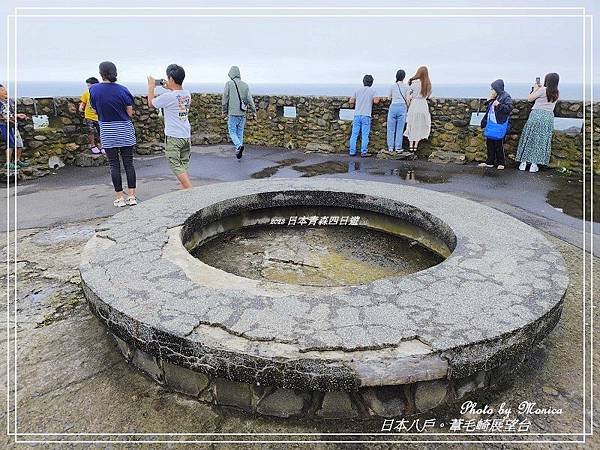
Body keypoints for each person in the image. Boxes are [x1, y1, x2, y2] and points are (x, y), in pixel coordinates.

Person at [89, 61, 138, 207]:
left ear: (101, 73)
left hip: (107, 130)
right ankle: (132, 197)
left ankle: (119, 198)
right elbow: (129, 112)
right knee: (129, 164)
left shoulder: (94, 90)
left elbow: (94, 110)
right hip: (124, 129)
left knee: (114, 165)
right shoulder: (123, 90)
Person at [147, 64, 193, 189]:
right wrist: (170, 87)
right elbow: (177, 96)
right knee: (182, 164)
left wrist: (151, 87)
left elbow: (151, 103)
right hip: (185, 135)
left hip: (174, 136)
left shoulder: (169, 97)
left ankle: (190, 191)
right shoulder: (187, 94)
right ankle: (185, 192)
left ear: (171, 78)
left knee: (174, 163)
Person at [516, 73, 560, 173]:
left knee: (529, 137)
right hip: (548, 117)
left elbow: (530, 98)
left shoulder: (542, 90)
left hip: (536, 115)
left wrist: (536, 88)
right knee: (541, 140)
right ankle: (534, 164)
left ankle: (523, 162)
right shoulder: (557, 92)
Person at [478, 79, 513, 170]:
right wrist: (489, 100)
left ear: (497, 88)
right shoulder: (495, 96)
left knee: (498, 143)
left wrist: (499, 105)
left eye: (493, 89)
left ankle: (501, 162)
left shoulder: (506, 96)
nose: (491, 90)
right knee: (489, 142)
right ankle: (490, 161)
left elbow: (509, 108)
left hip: (499, 123)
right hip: (491, 124)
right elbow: (489, 108)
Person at [222, 66, 256, 159]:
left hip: (232, 113)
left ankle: (238, 146)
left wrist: (224, 111)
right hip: (242, 113)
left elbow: (225, 99)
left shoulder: (228, 84)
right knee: (240, 131)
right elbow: (250, 99)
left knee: (232, 131)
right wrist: (254, 111)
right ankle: (238, 151)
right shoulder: (245, 85)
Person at [348, 74, 380, 157]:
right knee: (365, 135)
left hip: (357, 115)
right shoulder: (373, 91)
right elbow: (376, 101)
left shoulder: (357, 90)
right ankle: (364, 152)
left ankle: (352, 151)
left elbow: (351, 101)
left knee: (354, 134)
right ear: (371, 83)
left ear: (363, 82)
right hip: (366, 115)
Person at [0, 83, 30, 171]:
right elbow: (3, 116)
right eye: (2, 90)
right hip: (4, 125)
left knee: (19, 143)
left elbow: (9, 114)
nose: (5, 91)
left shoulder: (9, 101)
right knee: (10, 143)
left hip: (13, 125)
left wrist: (17, 115)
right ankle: (8, 163)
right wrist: (7, 119)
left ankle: (17, 161)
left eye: (5, 89)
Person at [404, 66, 432, 153]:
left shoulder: (414, 83)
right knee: (420, 125)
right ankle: (415, 146)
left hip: (415, 104)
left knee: (411, 124)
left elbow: (408, 96)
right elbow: (428, 95)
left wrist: (409, 103)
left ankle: (411, 145)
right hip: (423, 105)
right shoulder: (428, 84)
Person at [79, 77, 103, 155]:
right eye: (88, 85)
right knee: (91, 131)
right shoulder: (86, 93)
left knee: (101, 132)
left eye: (90, 85)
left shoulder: (100, 94)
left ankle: (102, 146)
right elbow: (83, 103)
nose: (89, 87)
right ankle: (93, 146)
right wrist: (81, 107)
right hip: (89, 116)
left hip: (99, 116)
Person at [386, 69, 408, 153]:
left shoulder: (392, 86)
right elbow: (407, 98)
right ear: (403, 77)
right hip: (402, 107)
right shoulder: (406, 87)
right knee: (400, 128)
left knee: (391, 128)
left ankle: (390, 147)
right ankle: (398, 147)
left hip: (393, 106)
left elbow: (388, 97)